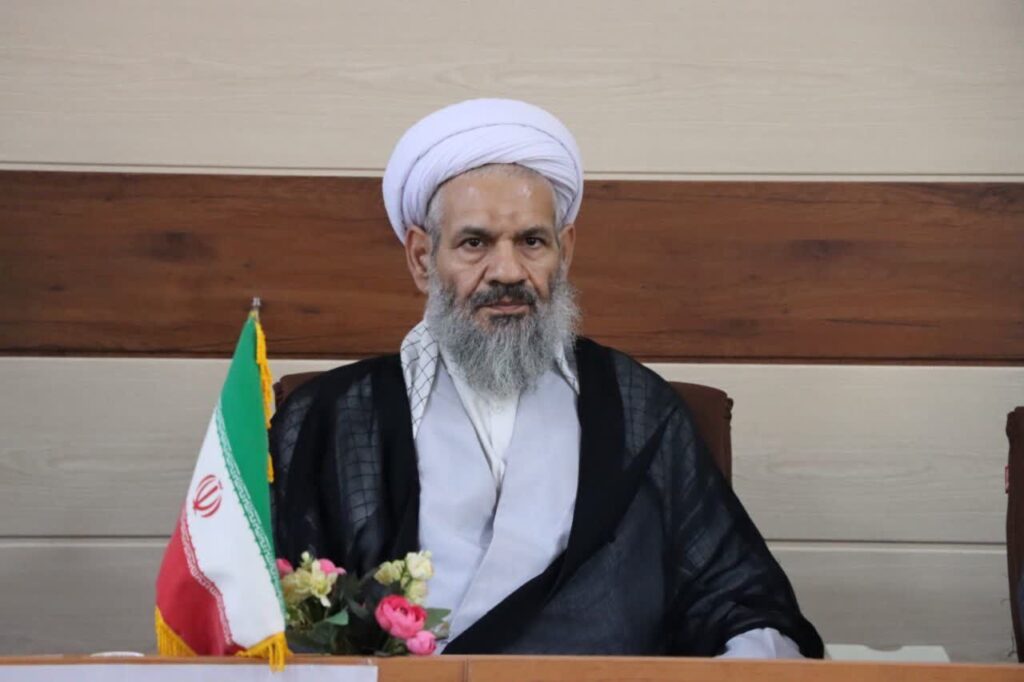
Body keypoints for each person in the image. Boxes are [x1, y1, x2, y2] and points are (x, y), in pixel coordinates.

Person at [270, 98, 823, 658]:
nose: (508, 272)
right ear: (421, 257)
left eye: (531, 242)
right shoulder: (331, 417)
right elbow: (268, 604)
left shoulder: (637, 408)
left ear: (566, 250)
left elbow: (736, 596)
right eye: (475, 243)